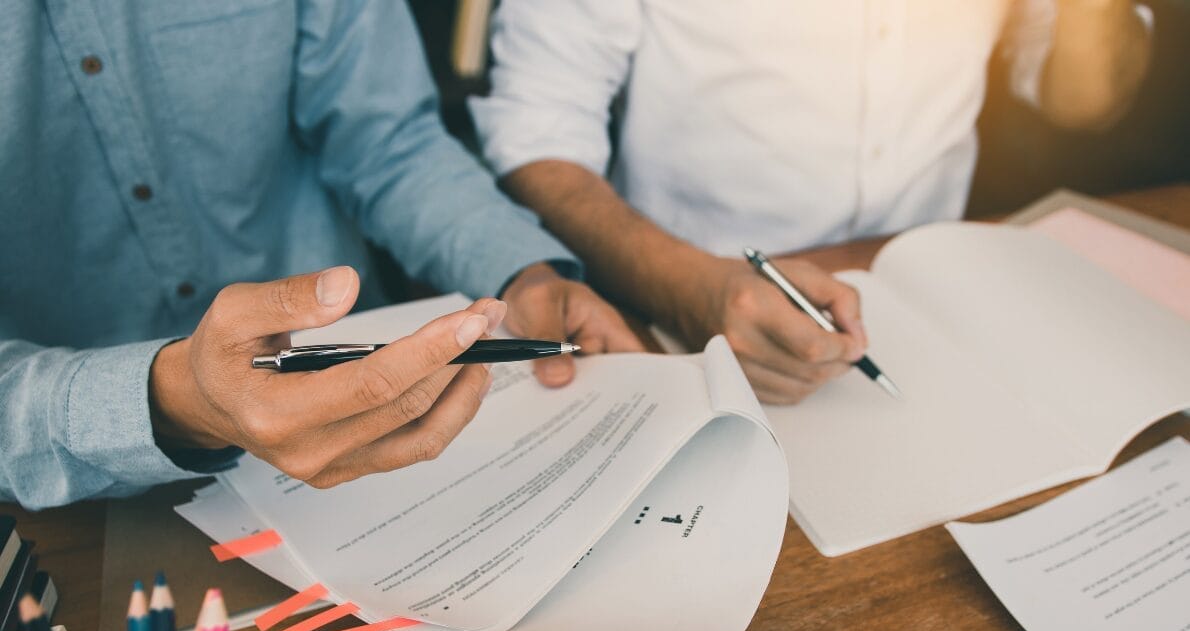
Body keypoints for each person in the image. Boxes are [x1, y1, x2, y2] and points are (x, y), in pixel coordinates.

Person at [0, 1, 642, 510]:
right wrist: (170, 401)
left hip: (375, 450)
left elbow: (389, 143)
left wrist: (522, 271)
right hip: (69, 505)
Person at [470, 0, 1152, 404]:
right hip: (677, 307)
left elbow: (1083, 102)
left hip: (942, 295)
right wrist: (689, 290)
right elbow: (537, 133)